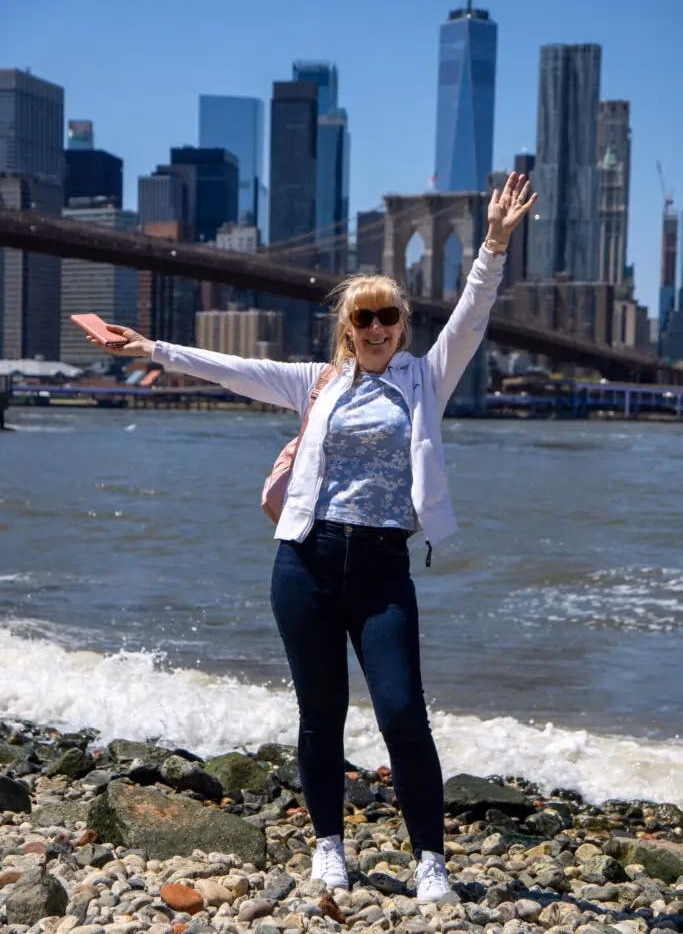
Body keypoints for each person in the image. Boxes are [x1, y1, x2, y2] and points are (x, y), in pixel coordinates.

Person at [89, 172, 537, 903]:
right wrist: (155, 348)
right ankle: (328, 846)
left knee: (400, 711)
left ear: (402, 322)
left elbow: (473, 312)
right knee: (320, 713)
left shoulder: (427, 378)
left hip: (384, 570)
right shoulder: (316, 383)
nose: (377, 329)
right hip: (305, 563)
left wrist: (490, 243)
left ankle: (430, 859)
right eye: (363, 319)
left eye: (388, 316)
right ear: (347, 328)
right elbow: (233, 369)